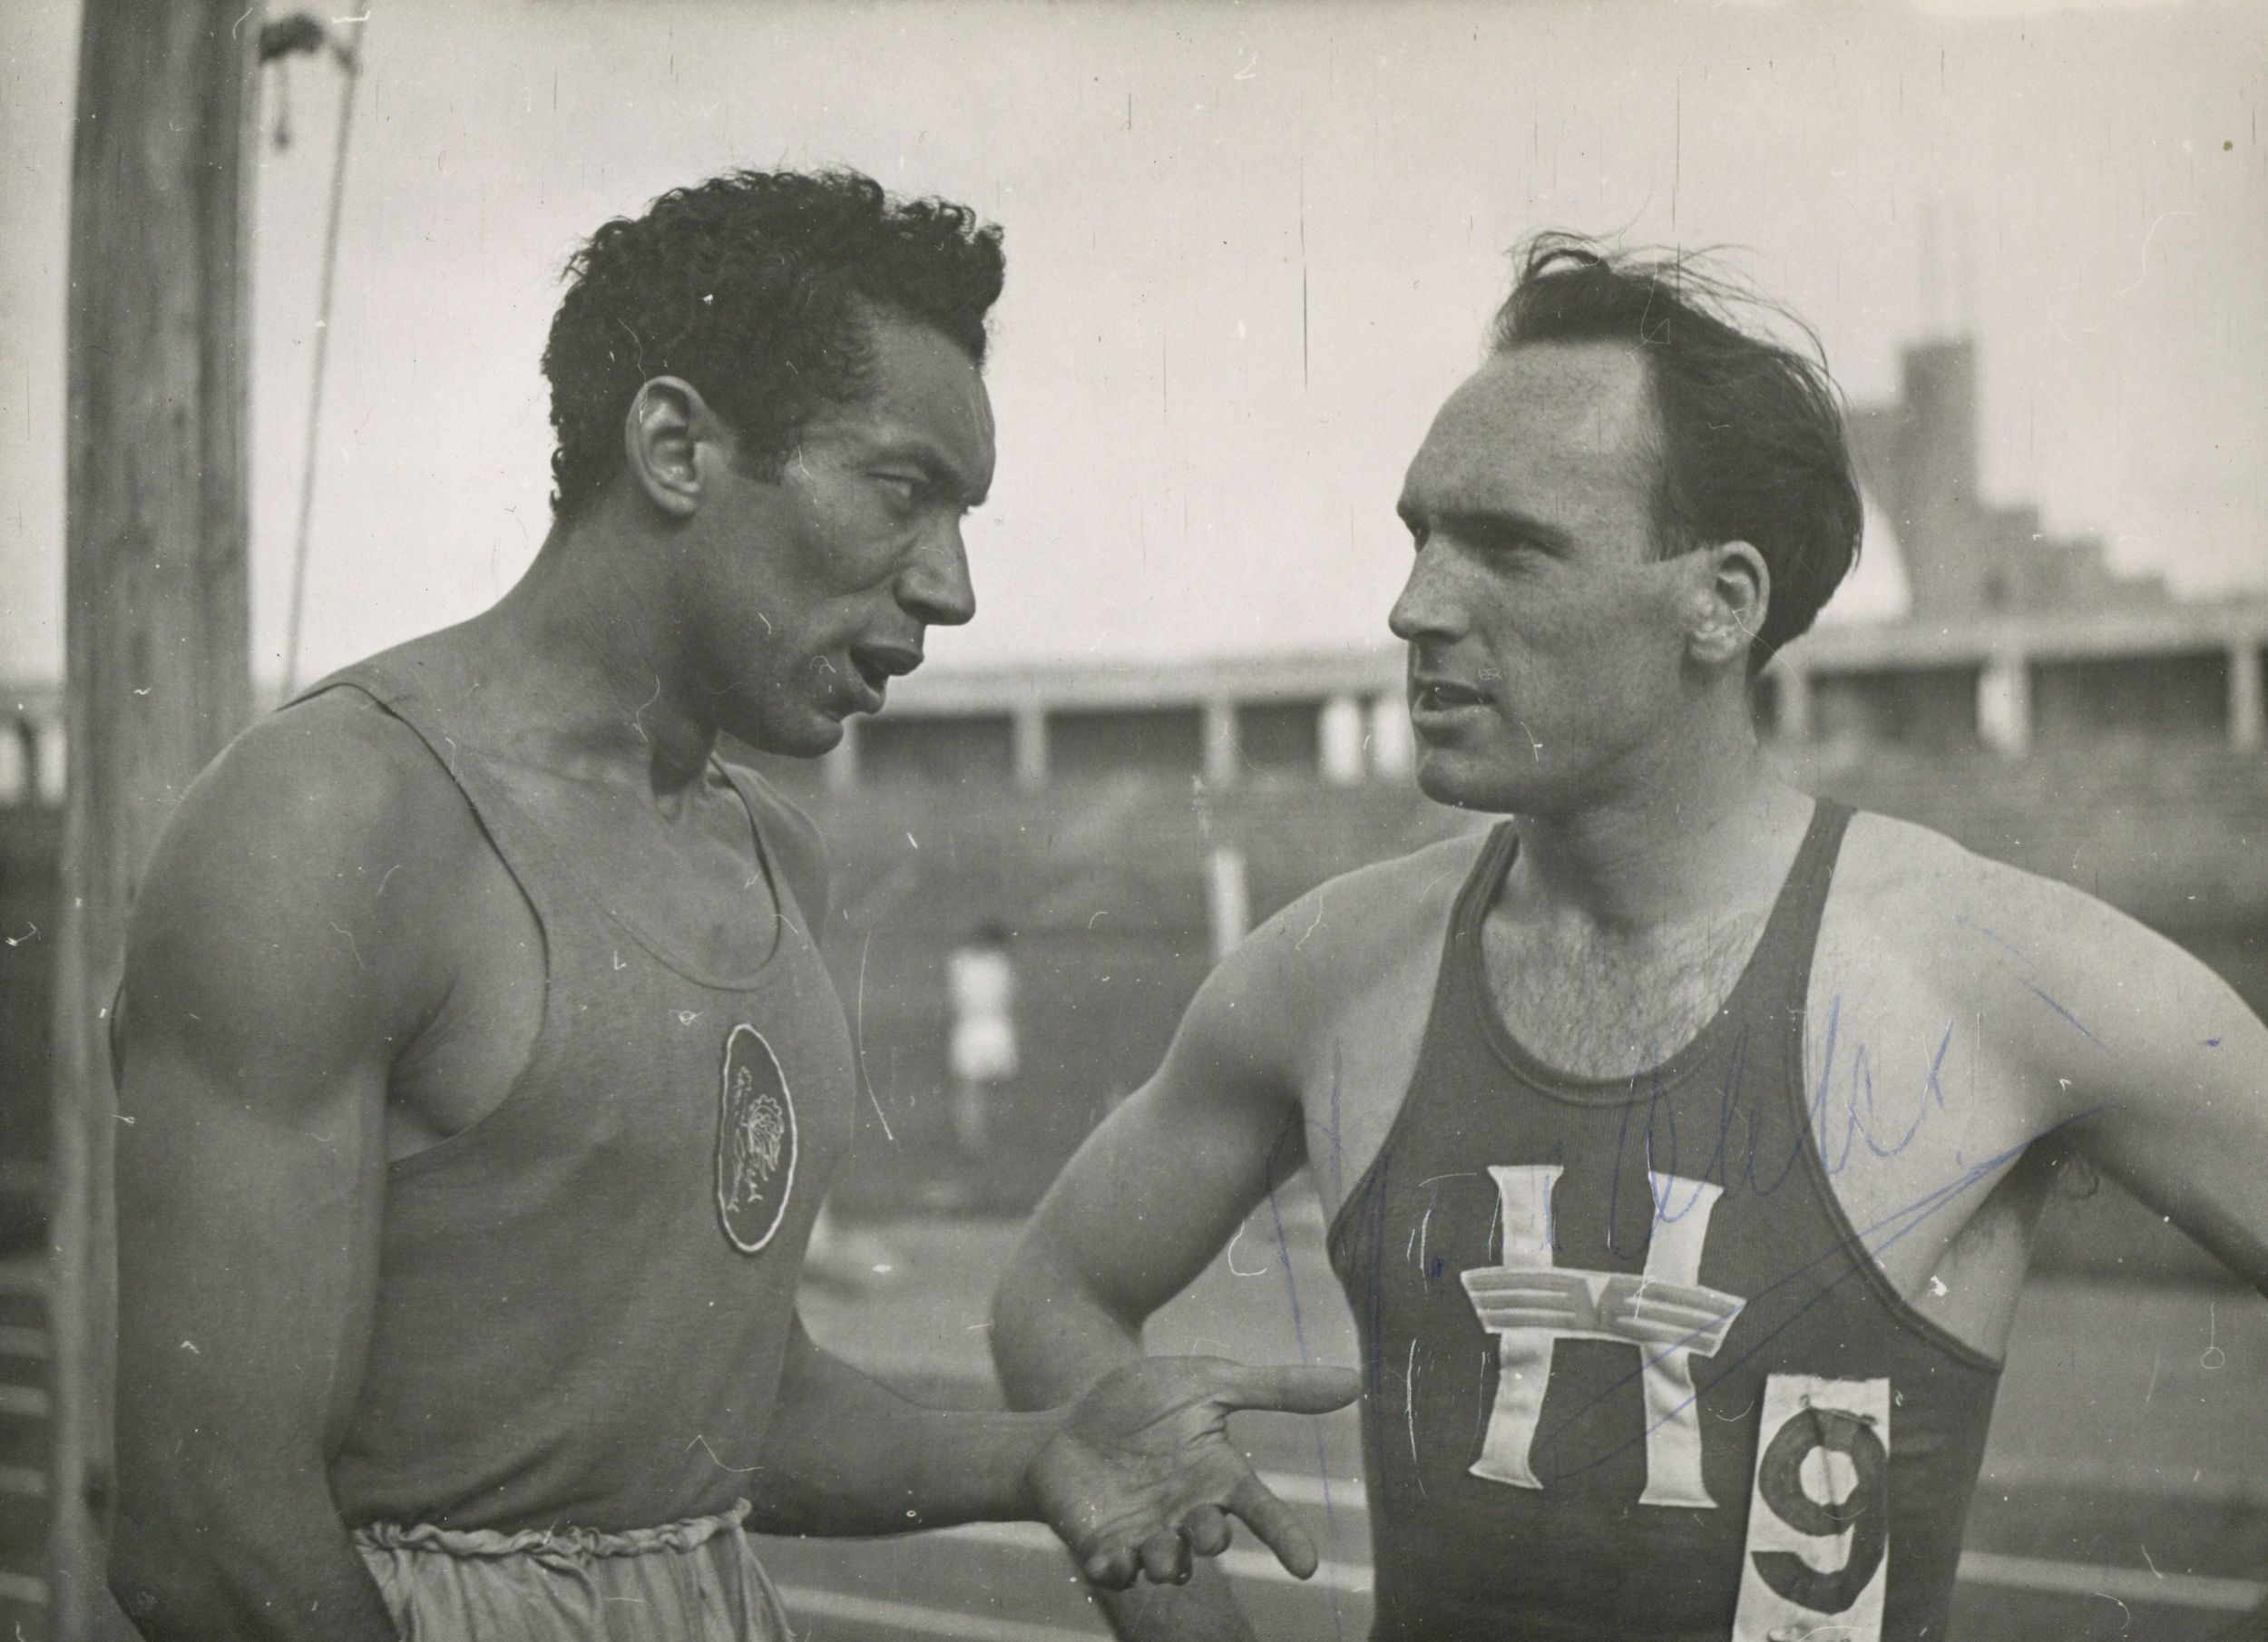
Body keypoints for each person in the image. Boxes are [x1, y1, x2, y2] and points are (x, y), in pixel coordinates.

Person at [106, 168, 1357, 1642]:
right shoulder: (336, 821)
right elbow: (208, 1535)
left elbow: (716, 1417)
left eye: (962, 515)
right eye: (902, 490)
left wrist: (1037, 1451)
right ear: (678, 447)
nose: (951, 590)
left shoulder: (769, 852)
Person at [990, 237, 2268, 1641]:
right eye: (1419, 534)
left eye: (1509, 547)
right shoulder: (1328, 969)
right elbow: (1056, 1288)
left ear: (1720, 602)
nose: (1415, 605)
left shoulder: (2005, 975)